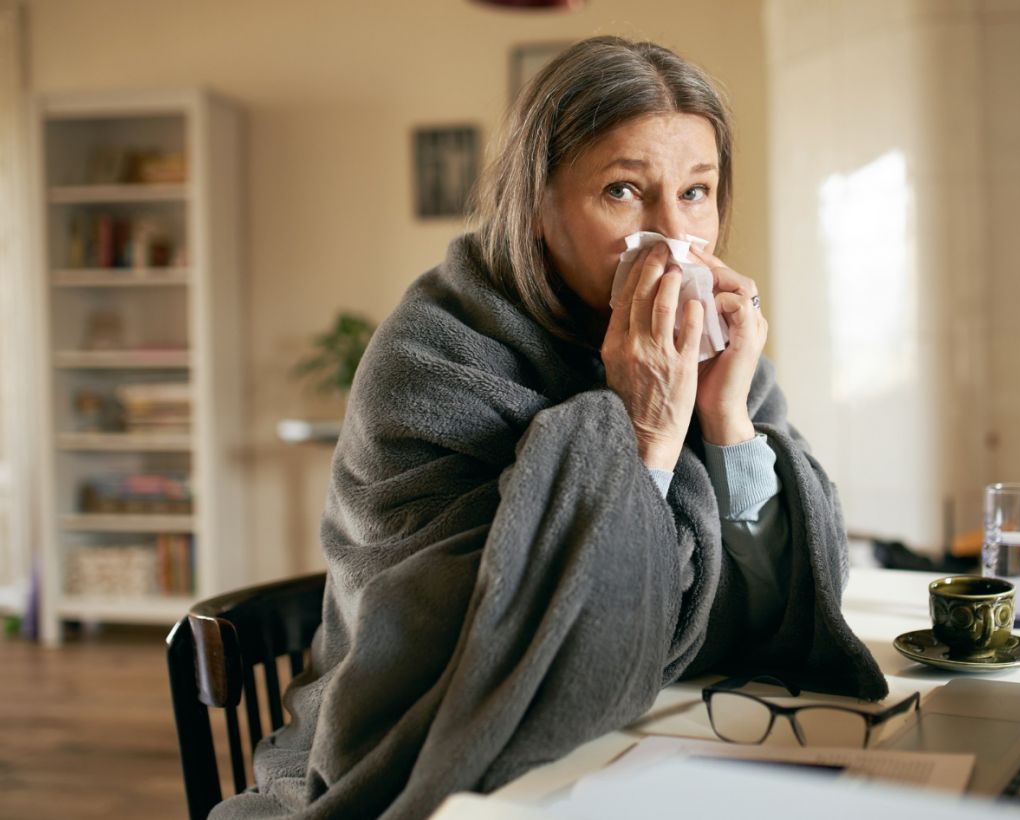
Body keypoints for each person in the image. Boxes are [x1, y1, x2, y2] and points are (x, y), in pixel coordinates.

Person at [214, 36, 884, 819]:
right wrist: (643, 430)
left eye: (697, 192)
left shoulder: (711, 349)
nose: (674, 235)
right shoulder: (432, 358)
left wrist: (728, 422)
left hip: (656, 738)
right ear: (536, 206)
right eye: (624, 192)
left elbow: (780, 612)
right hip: (451, 757)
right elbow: (498, 658)